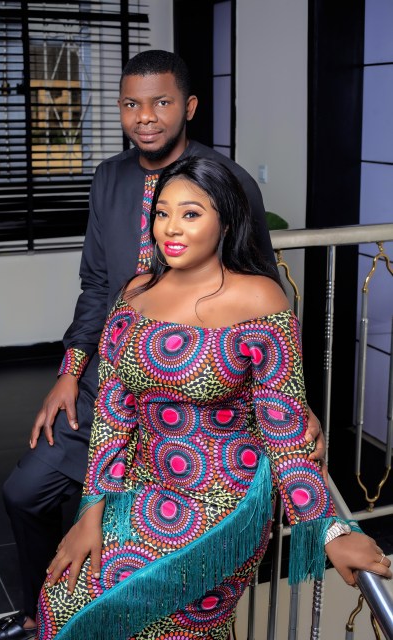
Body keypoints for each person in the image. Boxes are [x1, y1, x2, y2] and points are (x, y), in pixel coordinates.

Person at [0, 51, 325, 640]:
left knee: (150, 581)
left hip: (199, 406)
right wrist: (70, 371)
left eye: (161, 102)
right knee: (24, 492)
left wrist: (294, 406)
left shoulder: (227, 179)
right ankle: (41, 616)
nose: (145, 117)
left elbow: (262, 298)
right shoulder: (108, 177)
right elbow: (95, 285)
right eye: (131, 104)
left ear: (188, 106)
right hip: (114, 382)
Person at [35, 156, 391, 638]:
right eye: (162, 213)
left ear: (225, 221)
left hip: (222, 505)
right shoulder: (136, 292)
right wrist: (89, 514)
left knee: (170, 626)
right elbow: (113, 415)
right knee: (61, 600)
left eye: (191, 213)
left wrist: (329, 531)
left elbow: (285, 432)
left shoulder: (260, 299)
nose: (171, 228)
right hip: (139, 487)